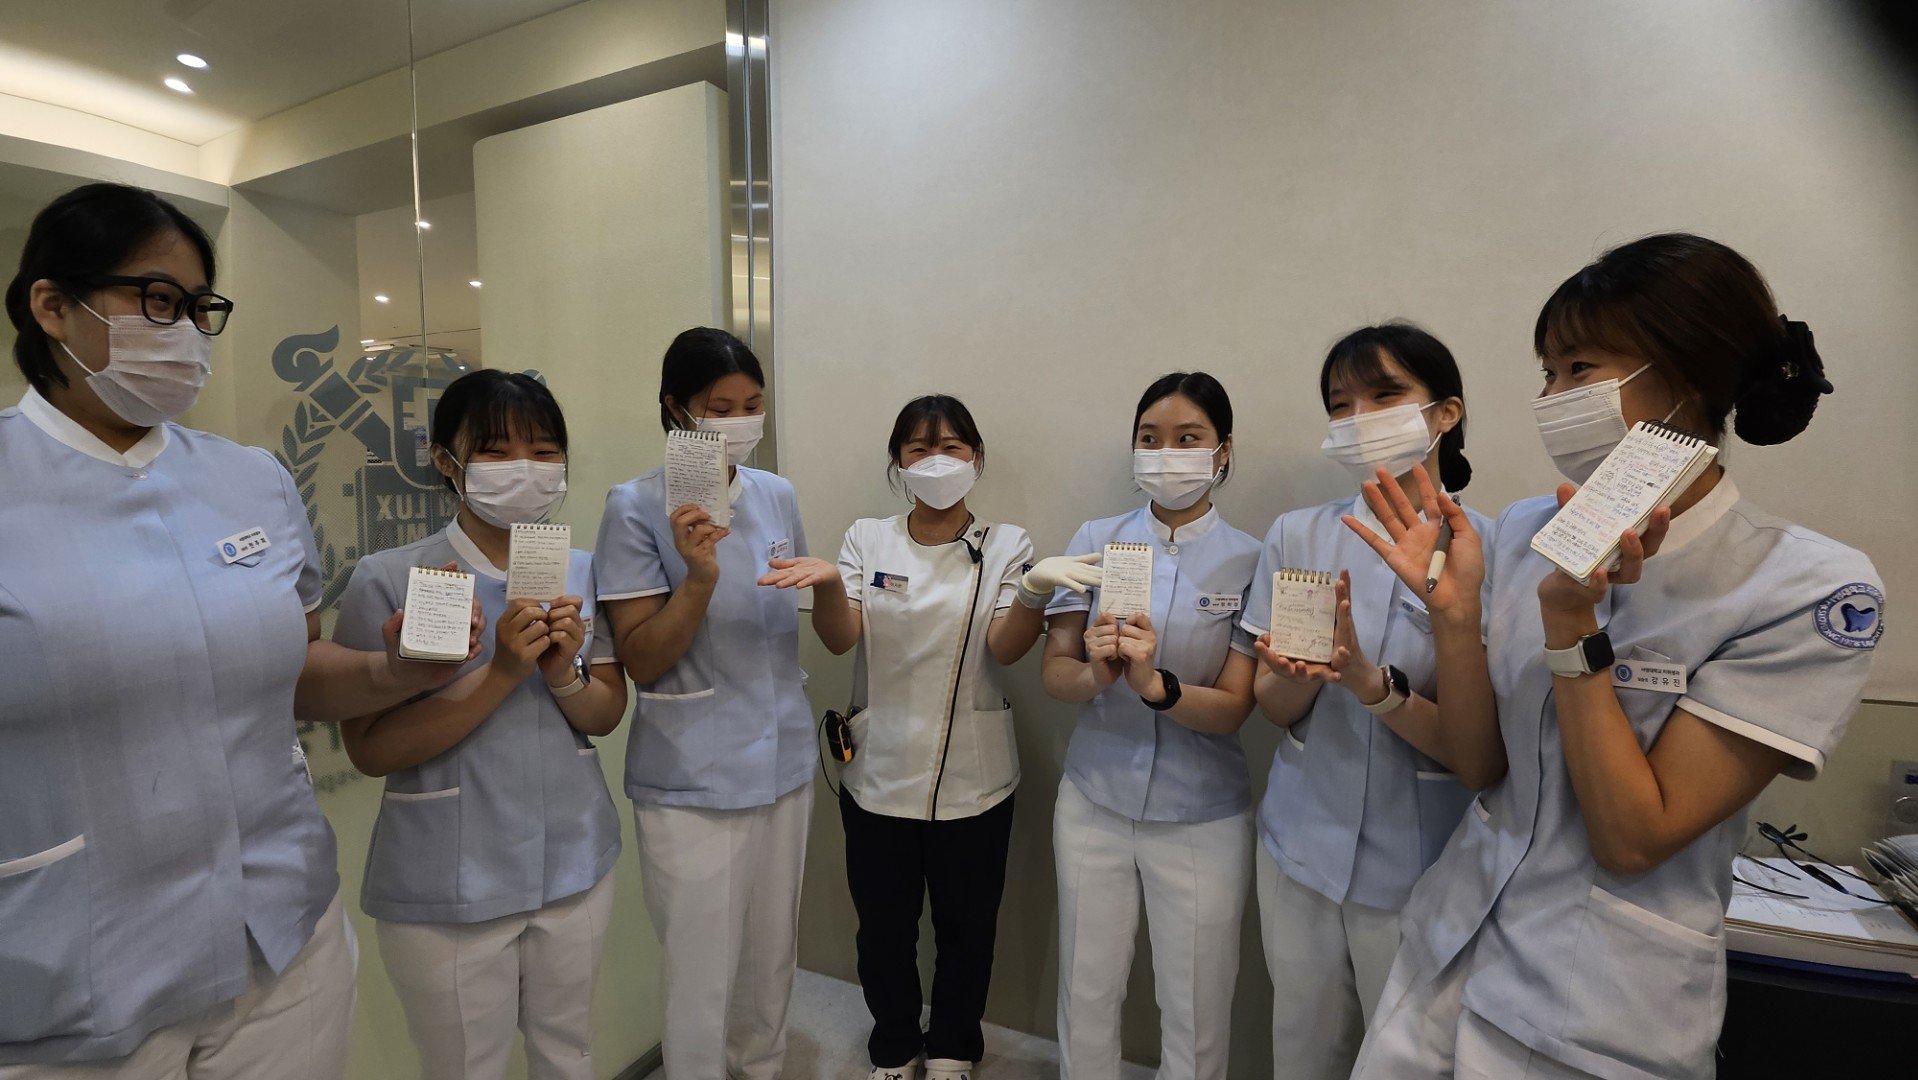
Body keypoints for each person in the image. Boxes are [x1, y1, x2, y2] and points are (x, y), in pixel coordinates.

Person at [1349, 234, 1883, 1079]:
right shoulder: (1526, 529)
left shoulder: (1804, 586)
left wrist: (1571, 626)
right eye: (1547, 374)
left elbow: (1634, 837)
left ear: (1687, 377)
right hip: (1446, 950)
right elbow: (1482, 767)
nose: (1552, 398)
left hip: (1592, 1009)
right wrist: (1453, 616)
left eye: (1580, 369)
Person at [0, 182, 477, 1078]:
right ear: (52, 306)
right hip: (69, 974)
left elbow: (292, 670)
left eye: (197, 308)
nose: (184, 331)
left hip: (281, 937)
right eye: (157, 300)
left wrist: (396, 671)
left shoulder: (251, 481)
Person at [332, 370, 627, 1080]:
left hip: (575, 862)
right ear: (446, 461)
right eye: (496, 451)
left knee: (570, 1052)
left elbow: (607, 712)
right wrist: (500, 674)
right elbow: (370, 749)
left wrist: (561, 674)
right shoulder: (390, 577)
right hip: (448, 882)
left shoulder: (581, 571)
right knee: (465, 1066)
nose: (524, 468)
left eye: (544, 451)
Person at [1243, 324, 1490, 1080]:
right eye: (1340, 404)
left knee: (1407, 1065)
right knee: (1300, 1050)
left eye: (1385, 395)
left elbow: (1484, 748)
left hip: (1424, 865)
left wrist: (1373, 687)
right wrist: (1299, 673)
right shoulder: (1299, 535)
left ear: (1445, 412)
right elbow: (1274, 706)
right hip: (1299, 845)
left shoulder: (1489, 549)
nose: (1359, 419)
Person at [806, 394, 1075, 1080]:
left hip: (975, 778)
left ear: (976, 458)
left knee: (968, 928)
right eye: (919, 449)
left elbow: (1005, 648)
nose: (936, 461)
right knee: (883, 930)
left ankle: (954, 1046)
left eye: (951, 447)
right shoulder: (868, 538)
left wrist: (1035, 593)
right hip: (878, 770)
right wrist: (831, 587)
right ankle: (895, 1045)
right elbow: (840, 639)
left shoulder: (1007, 545)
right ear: (898, 462)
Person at [597, 328, 828, 1080]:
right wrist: (697, 577)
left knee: (772, 958)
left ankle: (761, 1068)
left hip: (783, 758)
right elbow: (640, 657)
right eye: (719, 407)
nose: (739, 421)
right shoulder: (635, 506)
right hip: (691, 774)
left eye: (752, 404)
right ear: (676, 409)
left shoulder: (775, 495)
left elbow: (793, 599)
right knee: (699, 976)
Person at [1040, 372, 1261, 1080]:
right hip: (1094, 799)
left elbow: (1235, 707)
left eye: (1188, 438)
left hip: (1203, 814)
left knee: (1196, 1003)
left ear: (1222, 451)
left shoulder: (1251, 558)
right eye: (1150, 438)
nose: (1167, 454)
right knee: (1086, 986)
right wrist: (1099, 675)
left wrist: (1155, 687)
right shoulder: (1095, 541)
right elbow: (1056, 673)